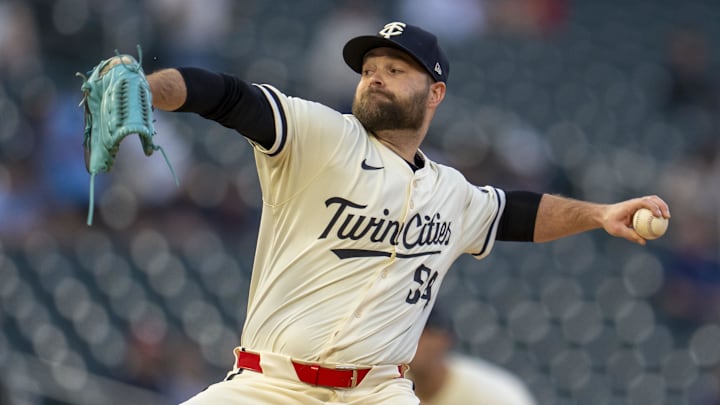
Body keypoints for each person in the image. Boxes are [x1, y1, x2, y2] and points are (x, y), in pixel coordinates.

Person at [132, 21, 669, 404]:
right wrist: (145, 90)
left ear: (435, 93)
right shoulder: (321, 136)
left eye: (395, 68)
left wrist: (600, 213)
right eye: (369, 68)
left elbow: (519, 214)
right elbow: (224, 96)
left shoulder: (451, 192)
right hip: (270, 386)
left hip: (378, 392)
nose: (375, 76)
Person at [408, 306, 537, 405]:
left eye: (422, 333)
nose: (412, 341)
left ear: (444, 339)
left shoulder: (493, 395)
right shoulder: (390, 383)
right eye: (406, 333)